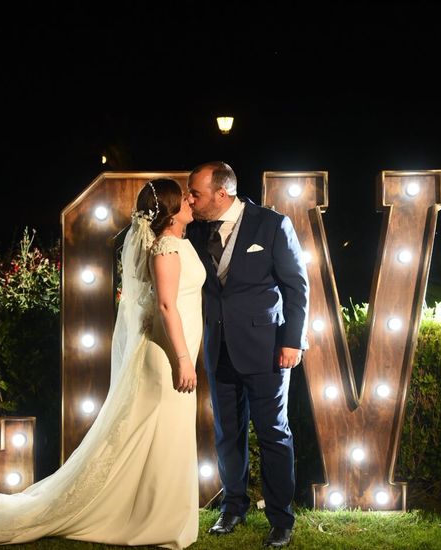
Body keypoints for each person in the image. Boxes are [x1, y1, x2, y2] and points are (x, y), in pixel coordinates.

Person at [0, 179, 204, 549]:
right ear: (169, 209)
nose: (191, 202)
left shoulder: (179, 244)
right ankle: (151, 517)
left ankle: (153, 510)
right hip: (165, 357)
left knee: (160, 436)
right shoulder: (165, 249)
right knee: (155, 434)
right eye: (185, 199)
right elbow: (165, 306)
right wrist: (182, 359)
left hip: (175, 352)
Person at [185, 162, 309, 548]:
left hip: (267, 349)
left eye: (196, 193)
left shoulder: (272, 225)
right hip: (218, 347)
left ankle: (280, 518)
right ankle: (233, 507)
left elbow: (296, 287)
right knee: (227, 434)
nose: (192, 200)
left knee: (273, 433)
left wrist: (293, 340)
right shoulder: (195, 229)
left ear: (222, 194)